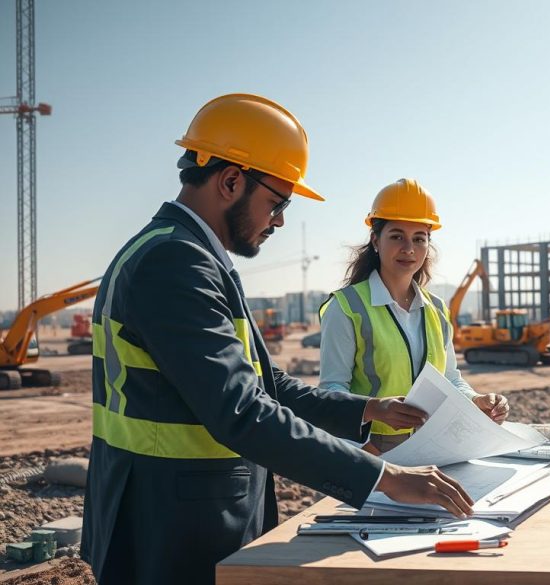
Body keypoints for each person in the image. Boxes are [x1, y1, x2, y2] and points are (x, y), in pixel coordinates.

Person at [81, 94, 473, 585]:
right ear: (230, 181)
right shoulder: (176, 262)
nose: (280, 220)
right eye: (277, 202)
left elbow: (265, 383)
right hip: (170, 527)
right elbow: (242, 411)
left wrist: (368, 408)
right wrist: (384, 477)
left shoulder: (188, 253)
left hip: (175, 513)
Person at [319, 178, 510, 454]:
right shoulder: (346, 307)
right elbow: (332, 391)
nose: (409, 248)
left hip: (435, 444)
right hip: (372, 447)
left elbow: (450, 379)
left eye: (419, 239)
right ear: (375, 240)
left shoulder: (437, 309)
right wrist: (365, 448)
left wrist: (476, 400)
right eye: (397, 236)